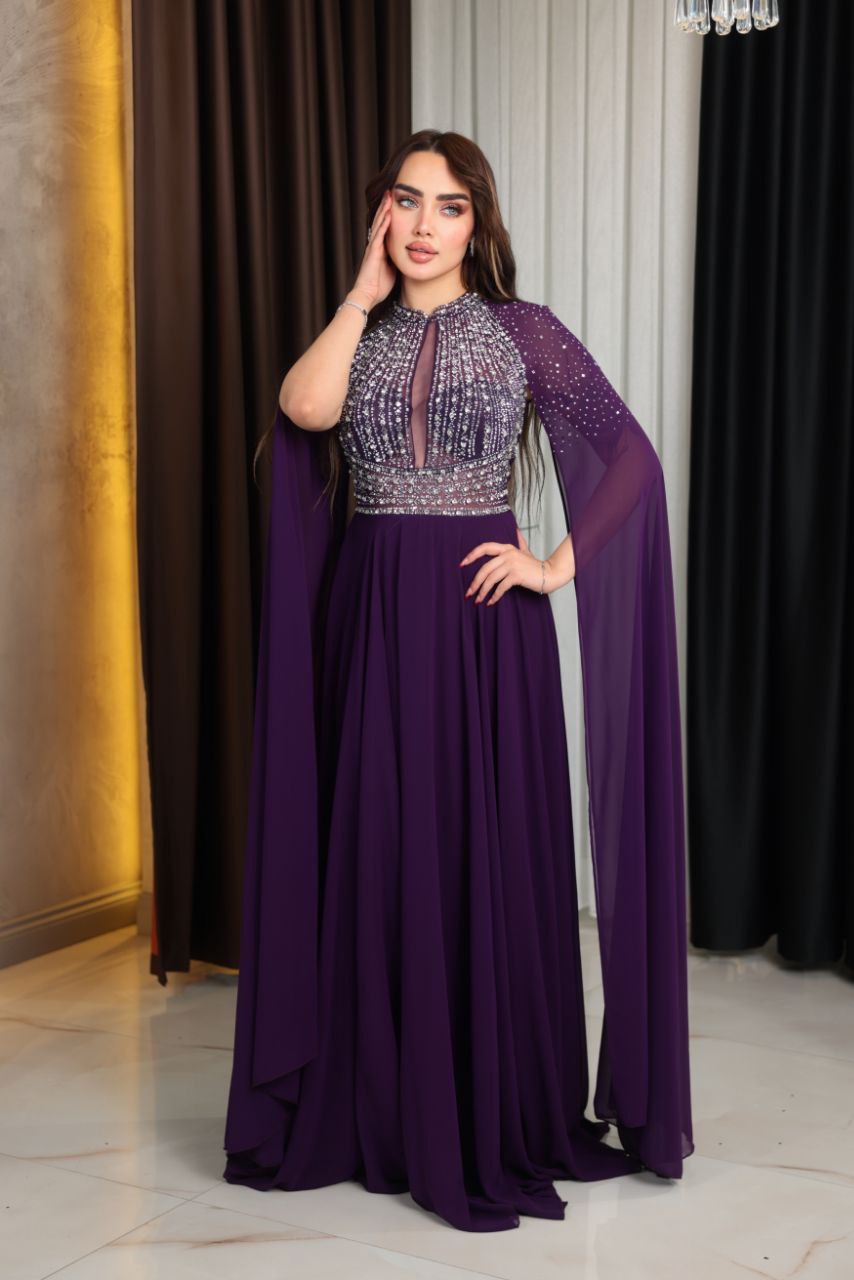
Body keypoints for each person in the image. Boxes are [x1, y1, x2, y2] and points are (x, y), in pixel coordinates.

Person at [221, 129, 694, 1233]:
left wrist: (553, 566)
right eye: (406, 201)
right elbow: (302, 409)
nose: (424, 224)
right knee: (377, 847)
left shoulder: (522, 331)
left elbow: (629, 457)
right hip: (372, 617)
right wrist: (358, 293)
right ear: (380, 214)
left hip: (486, 632)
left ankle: (487, 1102)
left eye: (448, 206)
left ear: (478, 224)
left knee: (479, 848)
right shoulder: (362, 331)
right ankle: (379, 1100)